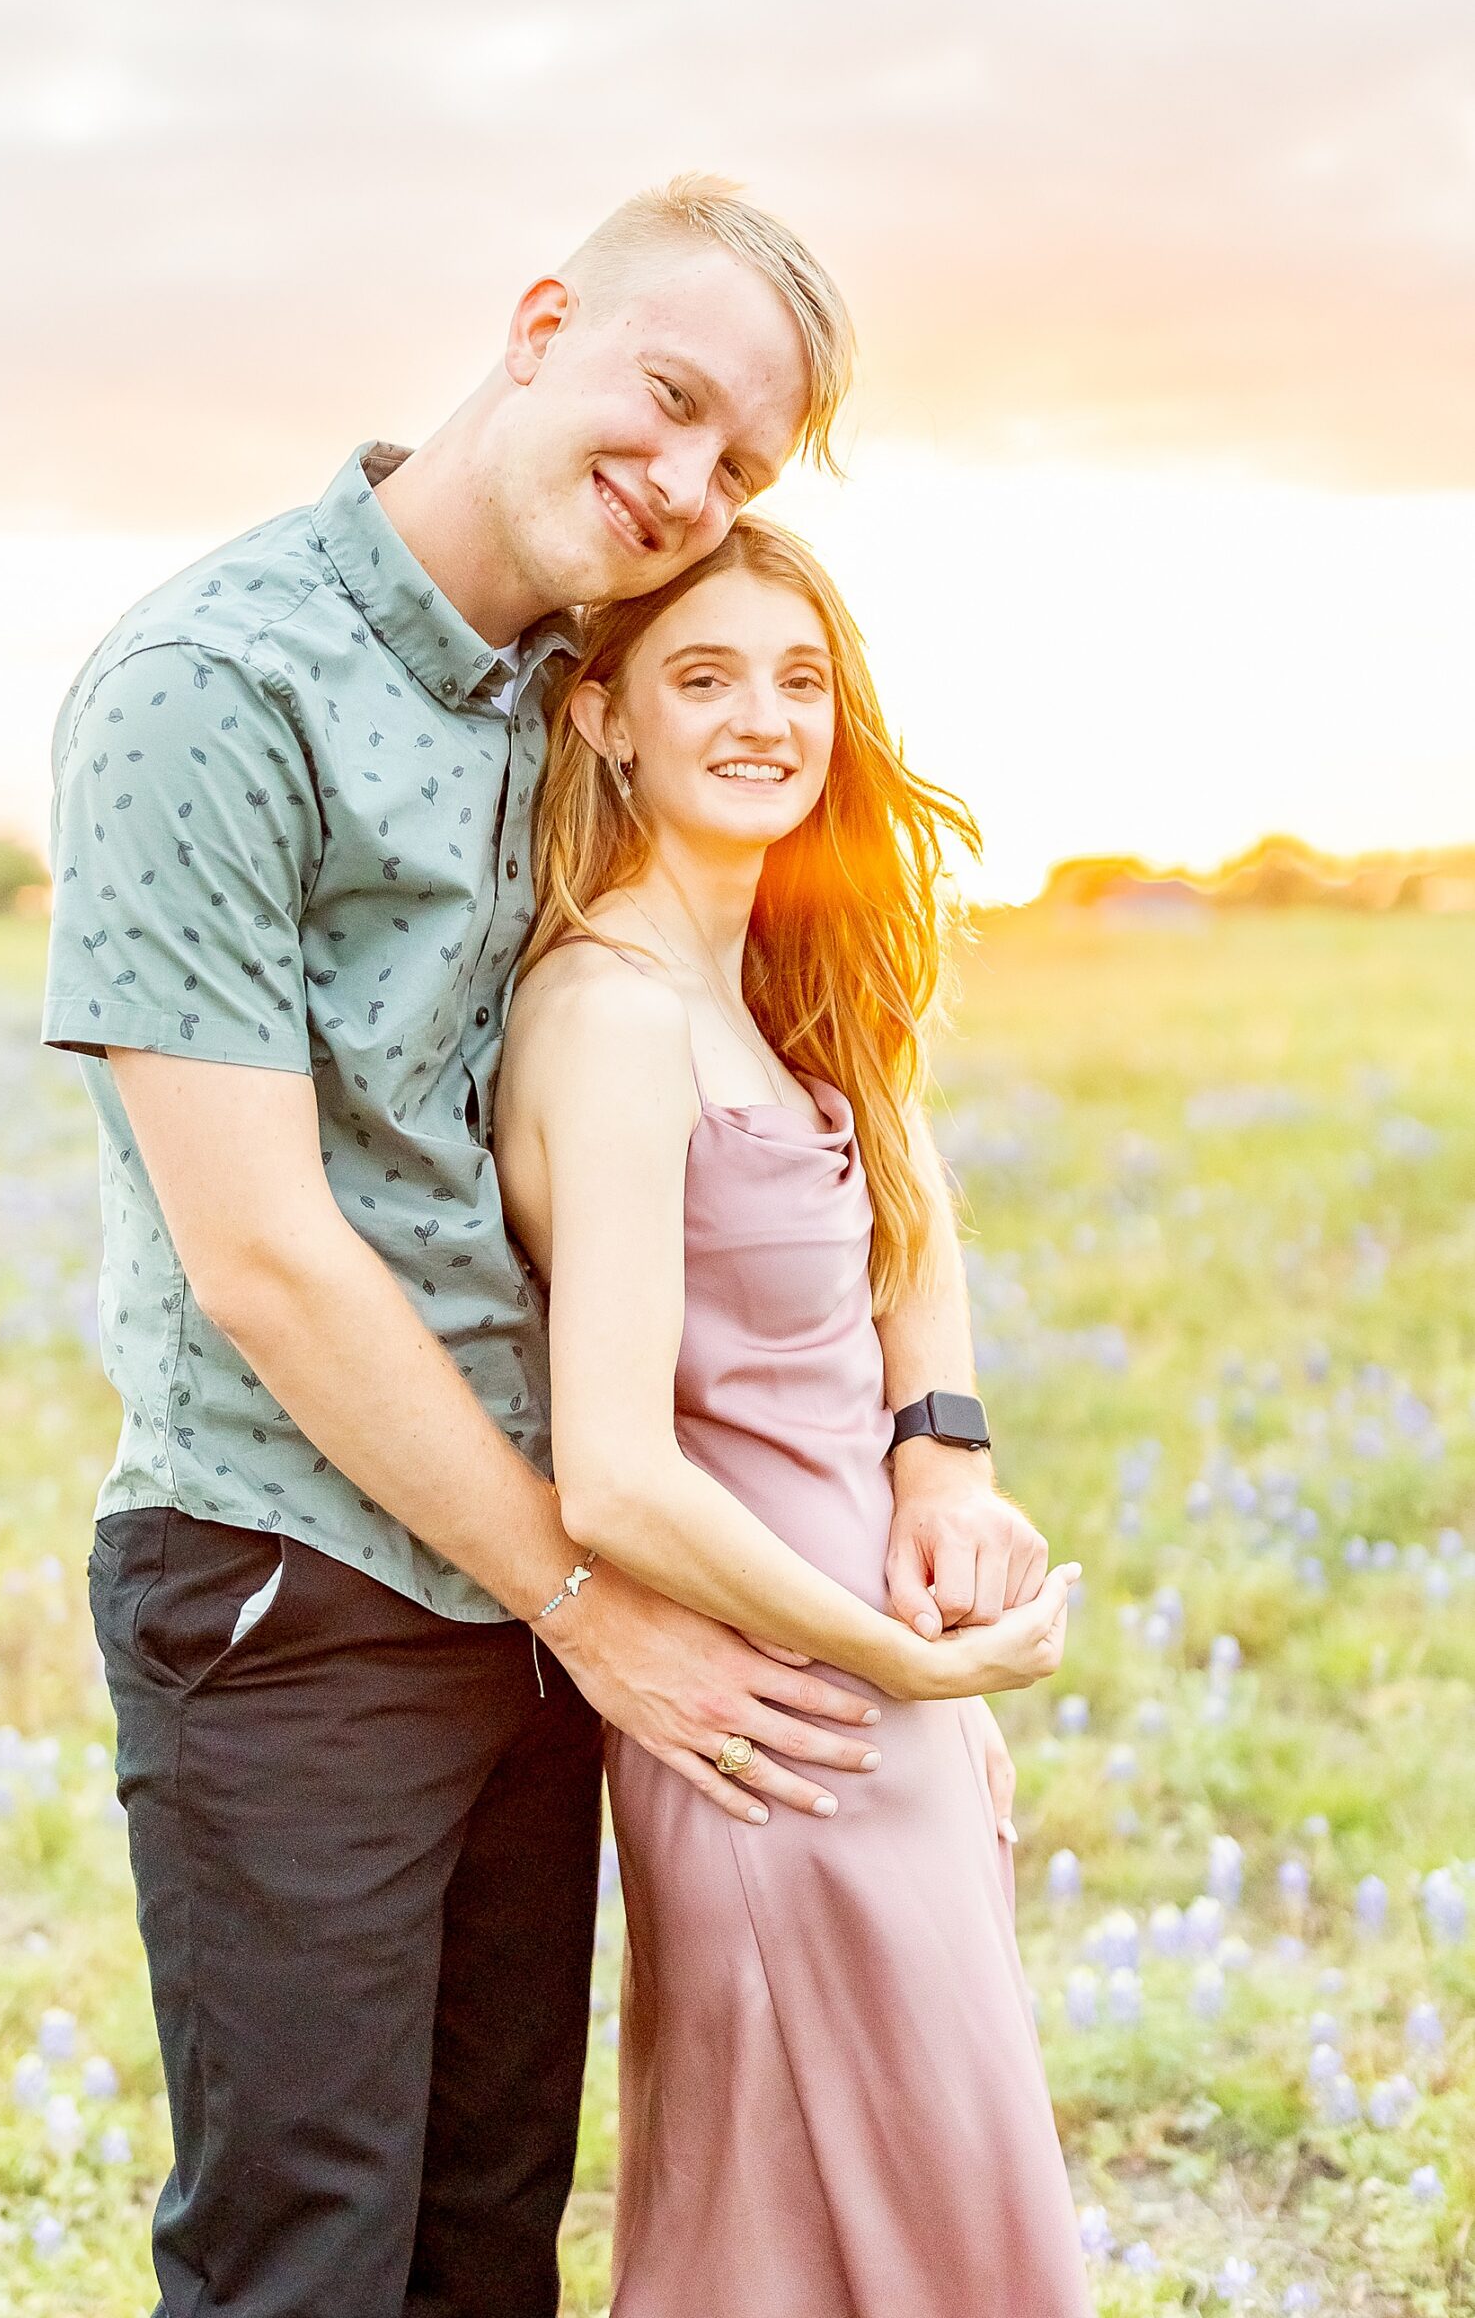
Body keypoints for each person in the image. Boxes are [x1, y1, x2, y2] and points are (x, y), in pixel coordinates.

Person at [42, 174, 1051, 2318]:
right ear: (535, 323)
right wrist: (584, 1587)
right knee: (303, 2245)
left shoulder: (571, 687)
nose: (685, 481)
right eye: (665, 396)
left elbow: (829, 1106)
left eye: (739, 462)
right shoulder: (211, 686)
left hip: (550, 1599)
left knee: (487, 2229)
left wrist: (927, 1441)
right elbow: (265, 1259)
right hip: (294, 1585)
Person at [493, 515, 1092, 2316]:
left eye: (800, 677)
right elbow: (612, 1474)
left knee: (907, 2194)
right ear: (605, 719)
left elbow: (908, 1229)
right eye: (704, 676)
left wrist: (944, 1453)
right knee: (823, 2223)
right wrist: (899, 1670)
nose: (765, 716)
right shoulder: (609, 1009)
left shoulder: (784, 988)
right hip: (783, 1707)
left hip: (875, 1689)